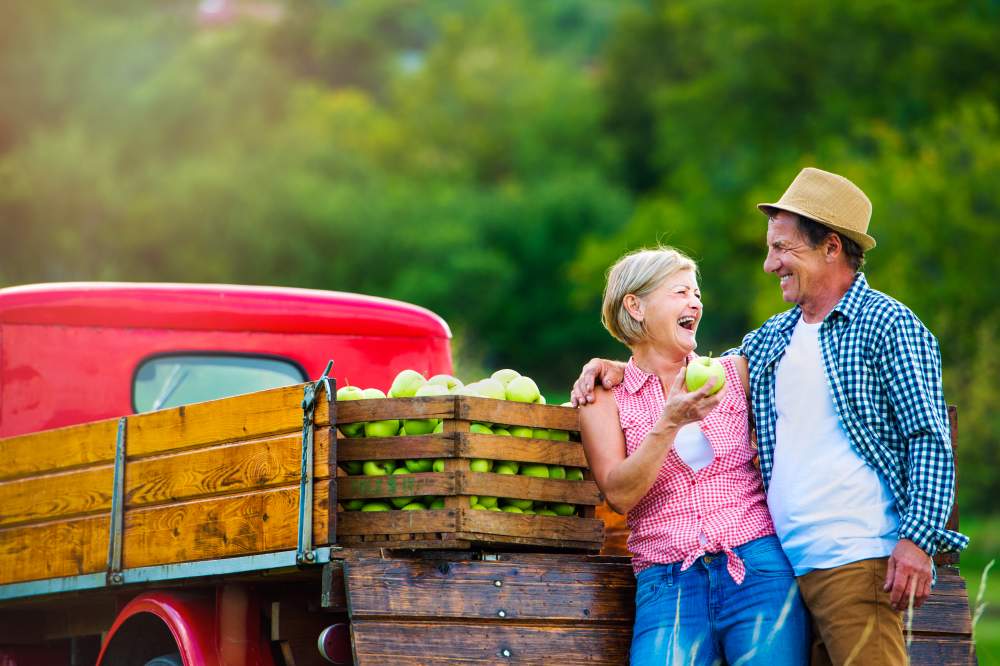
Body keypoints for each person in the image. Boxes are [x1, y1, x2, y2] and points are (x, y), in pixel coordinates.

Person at [572, 168, 968, 665]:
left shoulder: (887, 324)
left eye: (782, 248)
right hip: (784, 559)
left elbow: (928, 437)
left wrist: (917, 539)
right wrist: (617, 363)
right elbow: (682, 372)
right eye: (770, 248)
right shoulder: (773, 339)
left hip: (850, 555)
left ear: (830, 247)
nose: (769, 264)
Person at [579, 246, 809, 665]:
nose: (695, 303)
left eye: (697, 294)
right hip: (667, 580)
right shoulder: (604, 396)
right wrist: (668, 422)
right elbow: (620, 494)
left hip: (757, 567)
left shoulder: (735, 372)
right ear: (636, 305)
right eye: (681, 292)